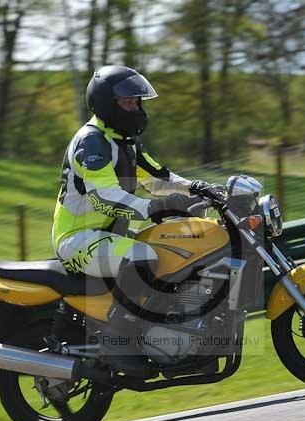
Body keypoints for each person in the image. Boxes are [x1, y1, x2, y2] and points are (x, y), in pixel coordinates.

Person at [53, 65, 214, 375]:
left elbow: (159, 178)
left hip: (108, 236)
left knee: (172, 252)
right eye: (128, 102)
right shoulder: (92, 143)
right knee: (143, 257)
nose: (136, 108)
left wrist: (201, 189)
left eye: (138, 101)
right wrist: (155, 208)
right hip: (77, 239)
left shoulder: (123, 140)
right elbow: (105, 196)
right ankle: (116, 342)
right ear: (107, 104)